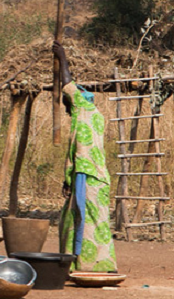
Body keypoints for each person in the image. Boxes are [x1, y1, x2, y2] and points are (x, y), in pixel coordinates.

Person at [53, 41, 117, 272]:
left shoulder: (83, 108)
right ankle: (97, 263)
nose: (68, 112)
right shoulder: (94, 116)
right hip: (94, 175)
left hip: (87, 175)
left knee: (79, 220)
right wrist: (67, 179)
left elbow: (68, 84)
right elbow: (76, 150)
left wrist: (62, 57)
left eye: (67, 107)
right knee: (94, 220)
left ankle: (83, 264)